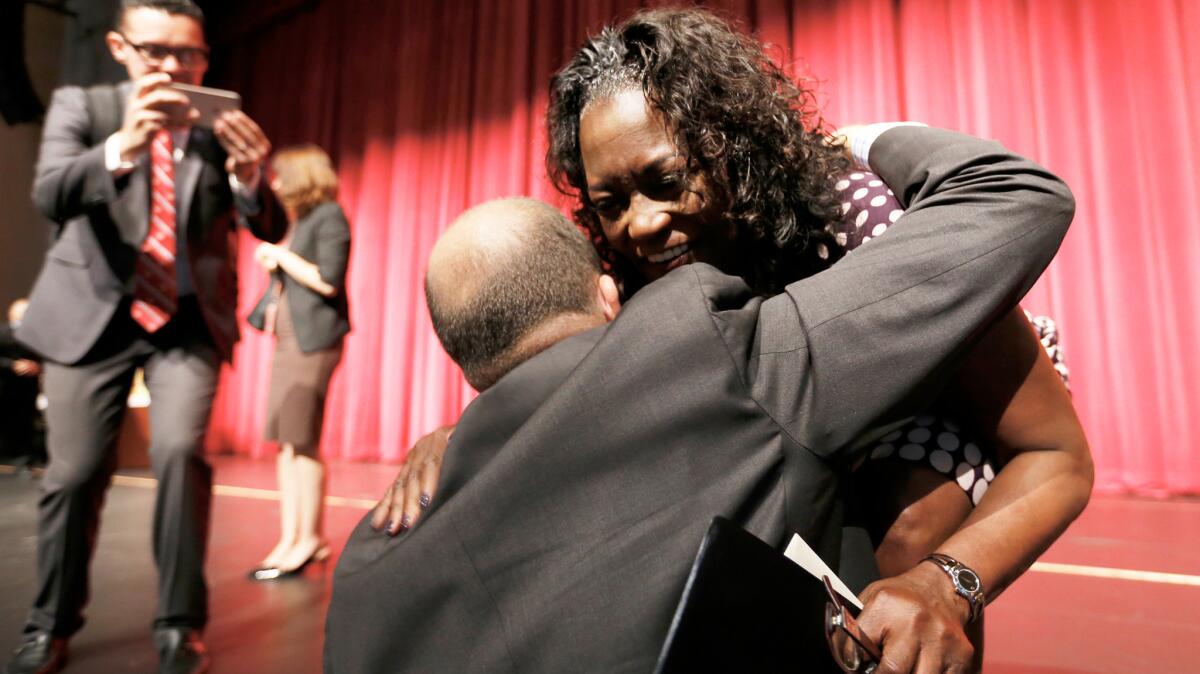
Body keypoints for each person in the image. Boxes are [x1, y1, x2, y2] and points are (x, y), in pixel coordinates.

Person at [376, 9, 1092, 666]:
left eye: (666, 179)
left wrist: (946, 583)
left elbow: (1055, 457)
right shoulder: (639, 277)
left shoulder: (863, 221)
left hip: (935, 421)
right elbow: (576, 408)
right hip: (815, 468)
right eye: (611, 203)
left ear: (734, 148)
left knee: (910, 527)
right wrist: (465, 437)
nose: (644, 223)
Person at [6, 1, 277, 673]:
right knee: (72, 476)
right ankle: (51, 623)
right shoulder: (85, 106)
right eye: (157, 51)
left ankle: (180, 624)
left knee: (181, 453)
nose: (175, 67)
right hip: (90, 317)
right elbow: (51, 193)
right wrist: (125, 142)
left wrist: (249, 178)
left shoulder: (219, 128)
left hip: (185, 321)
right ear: (120, 48)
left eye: (190, 54)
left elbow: (268, 225)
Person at [245, 144, 351, 581]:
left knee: (301, 440)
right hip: (290, 343)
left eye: (281, 175)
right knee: (288, 442)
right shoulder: (302, 220)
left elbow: (328, 280)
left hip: (312, 344)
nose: (275, 182)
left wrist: (281, 255)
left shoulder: (329, 216)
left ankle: (306, 539)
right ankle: (294, 537)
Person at [0, 299, 45, 470]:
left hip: (28, 387)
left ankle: (25, 455)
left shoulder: (38, 335)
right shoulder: (2, 332)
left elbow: (45, 358)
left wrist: (37, 367)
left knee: (26, 420)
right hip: (4, 385)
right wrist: (11, 365)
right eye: (21, 311)